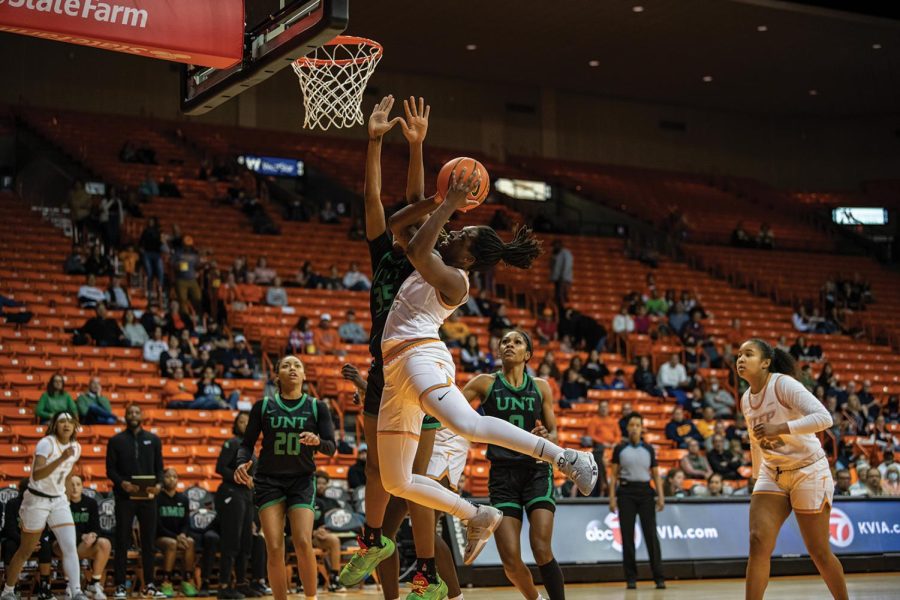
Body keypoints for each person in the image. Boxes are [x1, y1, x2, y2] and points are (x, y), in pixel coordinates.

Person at [374, 148, 597, 584]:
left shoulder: (456, 280)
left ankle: (567, 457)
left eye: (462, 233)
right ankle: (475, 513)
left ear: (470, 256)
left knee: (468, 425)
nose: (453, 232)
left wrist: (449, 206)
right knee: (397, 482)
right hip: (394, 370)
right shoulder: (440, 254)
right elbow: (398, 225)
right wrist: (438, 202)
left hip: (421, 354)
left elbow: (418, 249)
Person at [336, 96, 452, 600]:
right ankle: (373, 541)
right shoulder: (385, 255)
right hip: (383, 369)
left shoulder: (429, 263)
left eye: (414, 223)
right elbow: (375, 201)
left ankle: (426, 571)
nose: (403, 224)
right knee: (376, 468)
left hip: (418, 367)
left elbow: (417, 202)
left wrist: (419, 147)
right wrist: (375, 142)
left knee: (415, 476)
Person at [736, 338, 847, 600]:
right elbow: (755, 440)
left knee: (818, 551)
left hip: (809, 470)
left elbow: (824, 419)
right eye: (738, 355)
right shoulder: (745, 399)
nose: (740, 359)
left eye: (748, 354)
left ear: (765, 362)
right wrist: (756, 476)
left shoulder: (783, 384)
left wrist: (781, 428)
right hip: (772, 473)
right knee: (758, 541)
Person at [461, 330, 567, 600]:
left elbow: (554, 433)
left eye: (517, 342)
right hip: (503, 475)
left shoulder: (541, 387)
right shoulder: (484, 383)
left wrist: (548, 436)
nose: (509, 345)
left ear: (527, 355)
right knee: (510, 560)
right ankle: (534, 599)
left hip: (536, 472)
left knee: (541, 548)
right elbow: (451, 409)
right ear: (498, 352)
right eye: (505, 342)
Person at [232, 356, 336, 600]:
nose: (292, 369)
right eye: (286, 365)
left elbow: (332, 446)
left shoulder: (317, 407)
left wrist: (318, 441)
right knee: (275, 547)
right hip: (268, 481)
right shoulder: (263, 406)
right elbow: (246, 445)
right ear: (277, 375)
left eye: (297, 365)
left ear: (304, 375)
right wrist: (240, 463)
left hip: (301, 480)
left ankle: (311, 597)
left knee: (302, 541)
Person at [1, 412, 87, 600]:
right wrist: (61, 458)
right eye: (61, 421)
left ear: (75, 426)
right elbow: (38, 474)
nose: (66, 425)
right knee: (26, 550)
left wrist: (65, 493)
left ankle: (76, 591)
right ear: (55, 425)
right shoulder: (46, 443)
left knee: (70, 546)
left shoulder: (76, 446)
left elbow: (70, 469)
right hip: (36, 499)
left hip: (58, 500)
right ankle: (7, 591)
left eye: (69, 421)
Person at [106, 405, 166, 599]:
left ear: (142, 416)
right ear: (125, 416)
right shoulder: (116, 441)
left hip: (148, 498)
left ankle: (149, 584)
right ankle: (120, 585)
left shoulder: (154, 440)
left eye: (136, 412)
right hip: (125, 497)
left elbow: (160, 469)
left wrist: (158, 485)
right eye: (130, 413)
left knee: (148, 543)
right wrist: (122, 483)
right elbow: (110, 470)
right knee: (122, 541)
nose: (133, 415)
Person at [609, 412, 666, 589]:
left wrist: (661, 496)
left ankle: (659, 577)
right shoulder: (619, 449)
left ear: (642, 428)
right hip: (626, 493)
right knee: (627, 536)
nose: (634, 428)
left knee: (651, 536)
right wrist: (612, 498)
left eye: (637, 425)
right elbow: (613, 475)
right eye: (632, 425)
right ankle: (631, 578)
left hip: (646, 493)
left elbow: (656, 475)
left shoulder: (649, 449)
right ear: (627, 428)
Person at [214, 412, 261, 599]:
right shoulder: (232, 443)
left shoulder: (252, 448)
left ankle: (241, 583)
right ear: (236, 425)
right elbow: (220, 468)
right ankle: (224, 586)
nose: (245, 424)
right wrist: (240, 477)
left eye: (248, 422)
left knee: (246, 541)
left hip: (246, 496)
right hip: (231, 494)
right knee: (232, 541)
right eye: (241, 421)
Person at [59, 474, 110, 599]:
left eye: (78, 484)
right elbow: (59, 529)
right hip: (61, 543)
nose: (75, 488)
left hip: (84, 545)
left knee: (105, 543)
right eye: (71, 485)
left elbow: (96, 527)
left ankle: (94, 584)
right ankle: (69, 585)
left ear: (82, 487)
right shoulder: (61, 504)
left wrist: (93, 535)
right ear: (66, 487)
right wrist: (82, 536)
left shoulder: (91, 503)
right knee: (67, 543)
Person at [155, 469, 199, 597]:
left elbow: (186, 523)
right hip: (160, 537)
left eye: (174, 476)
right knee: (172, 543)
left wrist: (183, 534)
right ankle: (166, 581)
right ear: (163, 479)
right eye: (168, 476)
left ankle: (187, 580)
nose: (172, 479)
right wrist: (176, 537)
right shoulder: (157, 499)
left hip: (178, 537)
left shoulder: (183, 499)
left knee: (190, 542)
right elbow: (158, 526)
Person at [310, 472, 345, 591]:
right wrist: (313, 532)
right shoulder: (308, 499)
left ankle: (334, 579)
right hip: (306, 535)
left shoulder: (331, 502)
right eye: (318, 483)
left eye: (323, 483)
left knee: (334, 541)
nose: (320, 486)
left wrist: (323, 529)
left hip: (322, 535)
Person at [549, 239, 573, 310]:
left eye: (555, 246)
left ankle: (563, 309)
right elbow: (552, 266)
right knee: (557, 296)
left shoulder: (566, 253)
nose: (553, 248)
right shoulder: (556, 254)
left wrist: (563, 276)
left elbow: (567, 265)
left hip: (563, 278)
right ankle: (558, 309)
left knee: (562, 295)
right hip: (557, 278)